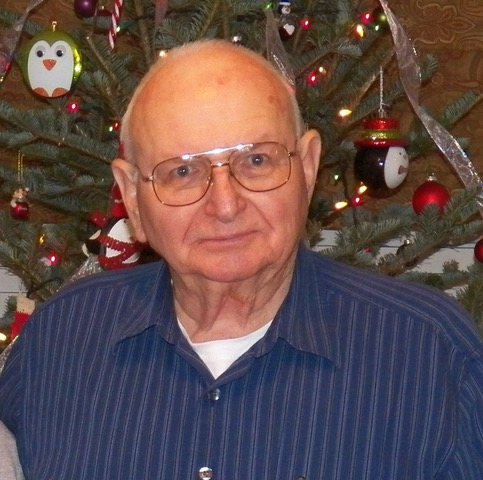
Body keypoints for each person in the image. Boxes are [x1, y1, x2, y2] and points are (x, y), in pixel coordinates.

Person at [0, 39, 482, 479]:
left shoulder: (429, 351)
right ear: (132, 198)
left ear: (307, 168)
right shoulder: (60, 339)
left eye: (256, 160)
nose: (225, 205)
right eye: (182, 171)